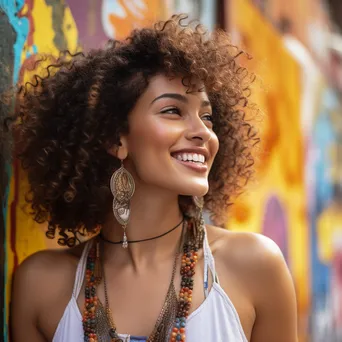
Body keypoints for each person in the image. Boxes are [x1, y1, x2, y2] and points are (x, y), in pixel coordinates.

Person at [10, 15, 298, 342]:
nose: (203, 132)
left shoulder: (254, 266)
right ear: (116, 139)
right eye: (173, 111)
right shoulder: (41, 284)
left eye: (207, 116)